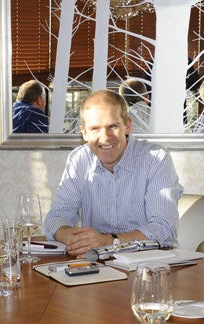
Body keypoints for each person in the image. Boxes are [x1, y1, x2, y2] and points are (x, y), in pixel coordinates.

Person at [43, 89, 182, 257]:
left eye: (113, 126)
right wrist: (72, 238)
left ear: (127, 126)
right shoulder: (79, 160)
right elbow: (56, 218)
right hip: (96, 263)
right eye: (95, 128)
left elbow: (164, 229)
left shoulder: (155, 159)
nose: (105, 137)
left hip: (149, 263)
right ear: (84, 132)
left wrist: (109, 242)